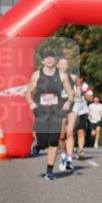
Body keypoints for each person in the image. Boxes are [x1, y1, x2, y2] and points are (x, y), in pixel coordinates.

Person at [26, 49, 74, 180]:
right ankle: (37, 144)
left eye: (52, 57)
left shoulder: (62, 76)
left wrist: (68, 102)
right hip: (41, 111)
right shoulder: (37, 75)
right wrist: (31, 102)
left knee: (54, 141)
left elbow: (71, 92)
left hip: (56, 111)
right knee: (43, 143)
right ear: (42, 61)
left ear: (55, 60)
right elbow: (28, 92)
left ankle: (49, 171)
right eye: (46, 57)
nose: (49, 59)